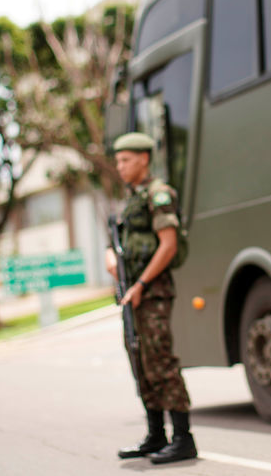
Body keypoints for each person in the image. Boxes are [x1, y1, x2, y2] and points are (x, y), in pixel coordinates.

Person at [105, 132, 197, 465]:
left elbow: (168, 244)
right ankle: (155, 434)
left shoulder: (159, 194)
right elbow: (122, 242)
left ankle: (183, 439)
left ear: (144, 159)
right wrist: (110, 256)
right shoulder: (132, 198)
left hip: (152, 292)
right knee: (141, 362)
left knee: (160, 361)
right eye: (118, 161)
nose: (120, 167)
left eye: (126, 160)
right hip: (133, 293)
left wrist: (141, 283)